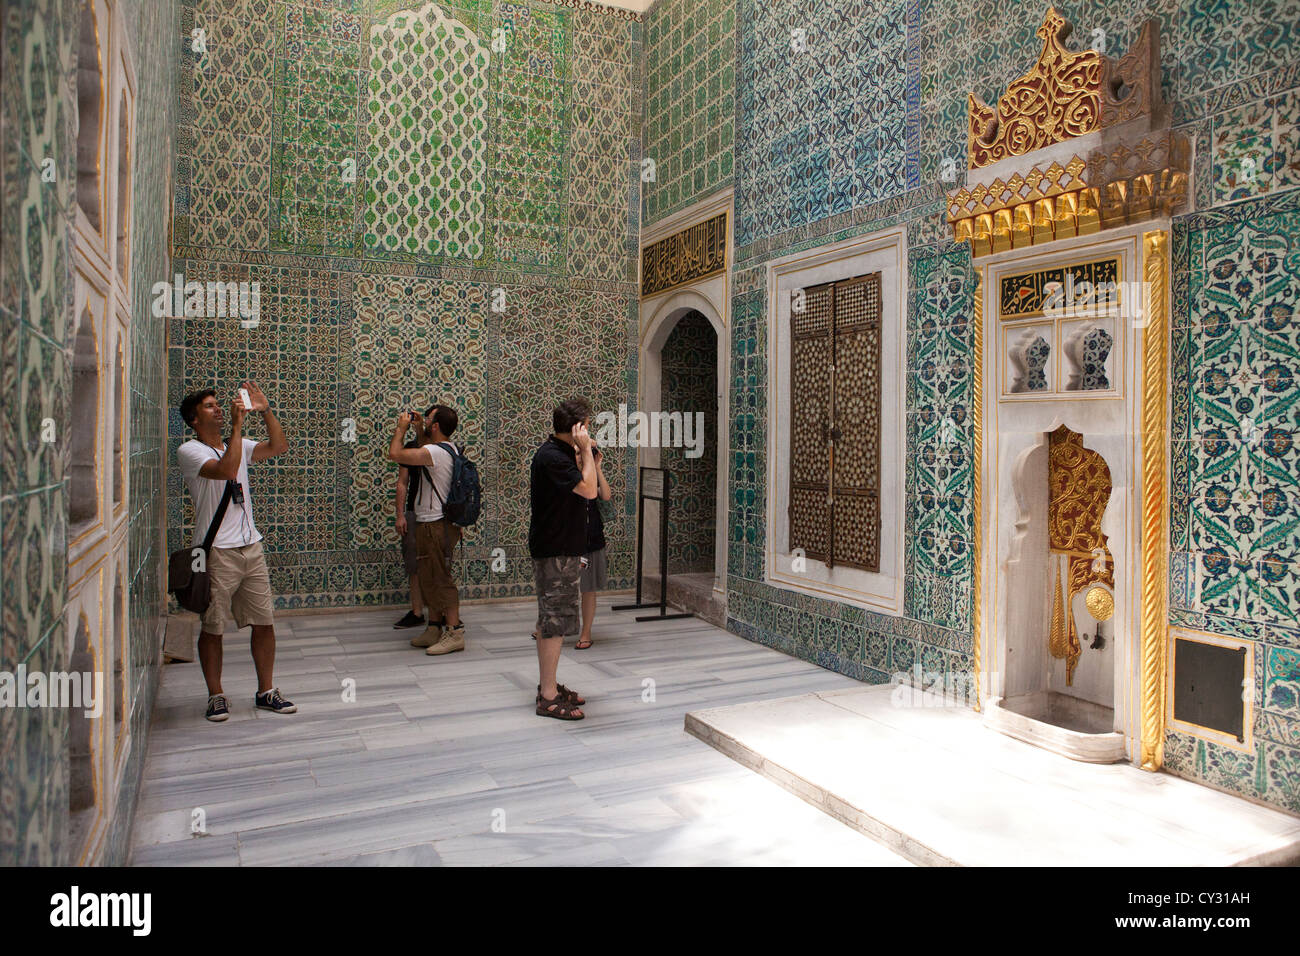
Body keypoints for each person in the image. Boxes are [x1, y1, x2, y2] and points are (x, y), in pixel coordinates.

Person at [176, 383, 296, 722]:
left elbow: (279, 446)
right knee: (213, 625)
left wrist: (267, 410)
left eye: (218, 404)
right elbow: (226, 471)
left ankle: (266, 691)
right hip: (216, 551)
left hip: (250, 545)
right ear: (194, 419)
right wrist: (237, 426)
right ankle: (216, 695)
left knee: (264, 622)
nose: (216, 409)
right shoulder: (190, 451)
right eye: (209, 406)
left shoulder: (237, 445)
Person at [528, 398, 599, 719]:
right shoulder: (552, 457)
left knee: (551, 619)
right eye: (587, 425)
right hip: (555, 550)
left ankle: (550, 686)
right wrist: (585, 452)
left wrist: (582, 453)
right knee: (554, 621)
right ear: (577, 428)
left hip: (560, 547)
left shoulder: (558, 455)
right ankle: (547, 696)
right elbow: (589, 490)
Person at [387, 404, 465, 655]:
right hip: (431, 521)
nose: (426, 422)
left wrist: (400, 429)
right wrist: (420, 427)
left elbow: (396, 454)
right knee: (429, 577)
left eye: (429, 419)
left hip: (435, 523)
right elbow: (423, 447)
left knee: (441, 579)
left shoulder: (435, 452)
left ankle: (454, 633)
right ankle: (434, 627)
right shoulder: (447, 448)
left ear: (436, 426)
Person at [576, 443, 612, 650]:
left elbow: (606, 495)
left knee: (588, 589)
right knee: (559, 588)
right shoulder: (566, 472)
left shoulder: (591, 474)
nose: (582, 456)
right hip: (566, 541)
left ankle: (586, 631)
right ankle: (547, 626)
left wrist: (597, 468)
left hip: (590, 539)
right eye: (580, 451)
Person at [393, 427, 427, 630]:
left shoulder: (445, 450)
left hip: (440, 516)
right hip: (415, 512)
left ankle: (443, 614)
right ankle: (417, 611)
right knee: (414, 564)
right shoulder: (412, 448)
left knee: (440, 566)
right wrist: (400, 514)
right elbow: (402, 482)